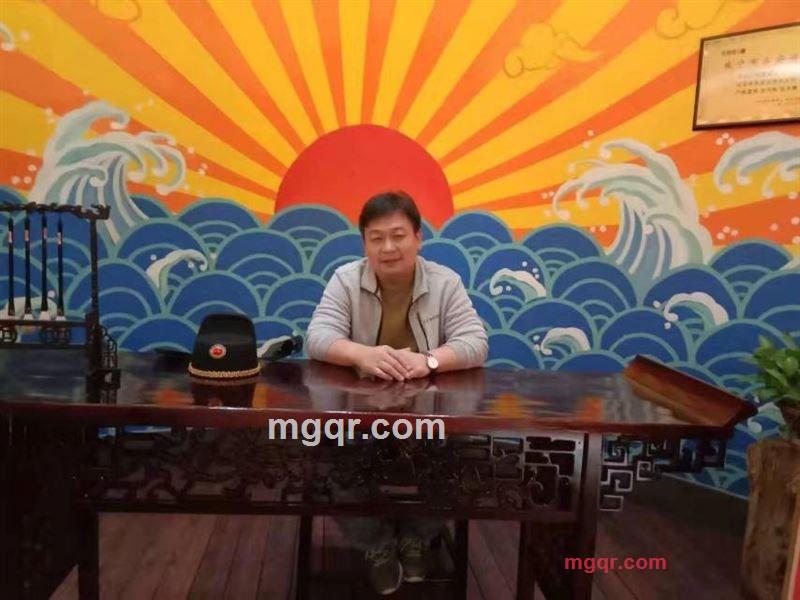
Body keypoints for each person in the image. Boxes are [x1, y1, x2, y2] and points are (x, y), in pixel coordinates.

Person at [306, 191, 488, 595]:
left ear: (418, 238)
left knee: (461, 455)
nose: (388, 247)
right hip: (360, 414)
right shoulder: (345, 279)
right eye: (377, 238)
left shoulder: (445, 282)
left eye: (398, 235)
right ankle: (376, 545)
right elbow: (317, 337)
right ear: (365, 244)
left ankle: (416, 537)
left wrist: (429, 361)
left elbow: (476, 343)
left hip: (429, 415)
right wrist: (361, 354)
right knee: (331, 456)